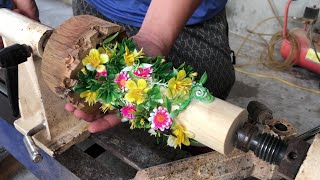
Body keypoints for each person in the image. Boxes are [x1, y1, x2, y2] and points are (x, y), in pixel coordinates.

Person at [3, 0, 235, 134]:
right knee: (120, 117)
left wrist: (155, 37)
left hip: (182, 11)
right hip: (100, 7)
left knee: (206, 97)